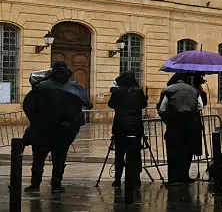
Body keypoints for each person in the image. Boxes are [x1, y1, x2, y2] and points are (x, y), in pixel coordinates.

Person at [22, 60, 93, 193]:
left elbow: (28, 106)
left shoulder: (42, 87)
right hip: (65, 131)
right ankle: (56, 185)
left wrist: (35, 122)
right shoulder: (76, 87)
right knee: (59, 159)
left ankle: (35, 185)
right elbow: (89, 104)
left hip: (43, 130)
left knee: (38, 159)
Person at [157, 72, 204, 184]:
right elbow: (200, 106)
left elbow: (162, 109)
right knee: (187, 152)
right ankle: (184, 176)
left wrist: (168, 120)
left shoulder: (168, 90)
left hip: (174, 125)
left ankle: (173, 179)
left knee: (173, 152)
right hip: (190, 125)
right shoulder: (194, 90)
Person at [107, 70, 148, 189]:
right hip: (135, 126)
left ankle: (117, 180)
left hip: (120, 126)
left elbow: (111, 104)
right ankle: (136, 179)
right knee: (136, 153)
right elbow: (144, 105)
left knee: (119, 153)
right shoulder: (138, 91)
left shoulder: (117, 91)